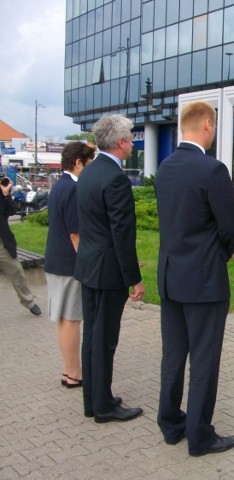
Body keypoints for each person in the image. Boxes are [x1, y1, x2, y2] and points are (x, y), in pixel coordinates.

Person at [155, 101, 234, 457]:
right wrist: (223, 252)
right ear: (207, 125)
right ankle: (200, 435)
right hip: (204, 282)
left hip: (170, 277)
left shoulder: (165, 167)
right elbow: (233, 224)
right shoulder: (212, 170)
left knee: (174, 356)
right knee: (204, 358)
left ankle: (171, 422)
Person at [74, 114, 145, 423]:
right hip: (106, 271)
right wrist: (135, 279)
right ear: (120, 142)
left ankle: (94, 399)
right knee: (104, 339)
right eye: (130, 137)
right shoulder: (115, 178)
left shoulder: (88, 173)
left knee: (92, 336)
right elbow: (122, 234)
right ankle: (103, 407)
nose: (132, 142)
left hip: (88, 266)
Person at [44, 142, 95, 389]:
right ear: (78, 162)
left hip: (54, 261)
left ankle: (68, 371)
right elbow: (76, 234)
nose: (91, 167)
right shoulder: (73, 189)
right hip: (69, 264)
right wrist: (87, 264)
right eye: (89, 163)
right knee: (72, 319)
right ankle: (75, 374)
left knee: (63, 319)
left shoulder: (58, 186)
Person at [0, 174, 42, 316]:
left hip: (2, 242)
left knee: (16, 271)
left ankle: (29, 302)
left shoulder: (2, 193)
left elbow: (12, 211)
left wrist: (6, 195)